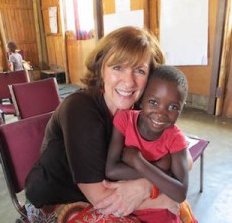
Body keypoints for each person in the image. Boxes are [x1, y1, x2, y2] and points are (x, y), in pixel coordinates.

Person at [24, 26, 184, 223]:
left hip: (107, 190)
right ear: (102, 68)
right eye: (118, 67)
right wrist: (160, 197)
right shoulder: (80, 108)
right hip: (57, 199)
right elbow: (100, 198)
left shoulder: (139, 108)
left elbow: (183, 155)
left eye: (139, 71)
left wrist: (147, 185)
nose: (128, 82)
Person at [105, 65, 196, 223]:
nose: (161, 113)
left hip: (161, 213)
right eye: (153, 102)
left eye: (173, 107)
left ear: (182, 108)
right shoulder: (124, 120)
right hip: (127, 209)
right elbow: (112, 170)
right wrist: (161, 170)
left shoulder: (175, 138)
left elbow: (180, 193)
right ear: (142, 98)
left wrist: (138, 162)